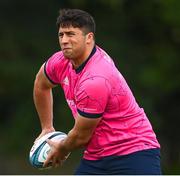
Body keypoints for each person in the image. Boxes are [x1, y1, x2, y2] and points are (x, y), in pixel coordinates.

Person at [33, 8, 162, 175]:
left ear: (89, 38)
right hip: (96, 156)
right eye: (61, 35)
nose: (64, 40)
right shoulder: (60, 61)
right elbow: (41, 84)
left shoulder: (96, 78)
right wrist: (47, 128)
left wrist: (61, 148)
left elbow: (80, 137)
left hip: (134, 152)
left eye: (71, 34)